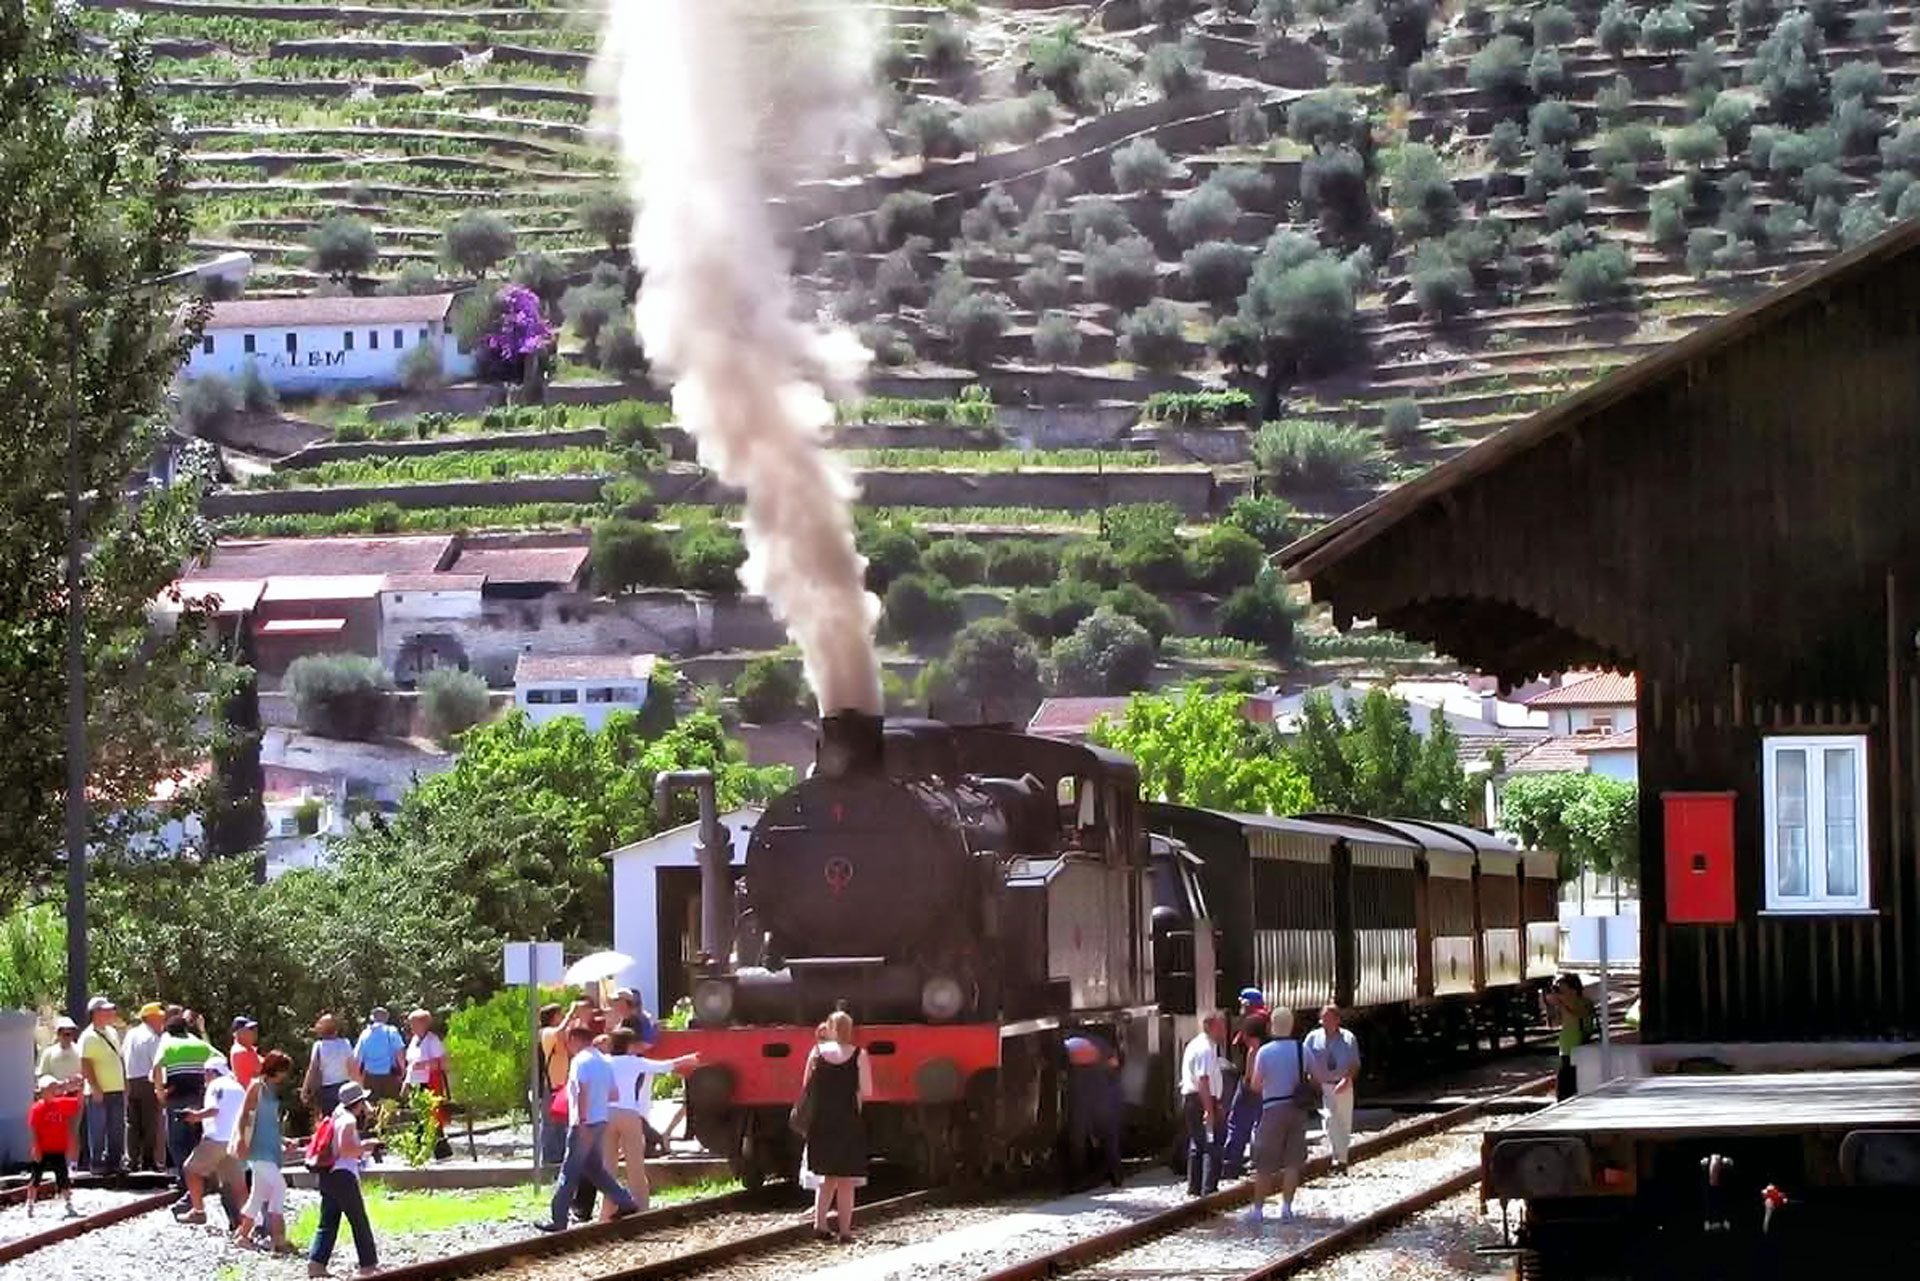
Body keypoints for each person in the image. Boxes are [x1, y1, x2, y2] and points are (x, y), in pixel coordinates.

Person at [535, 1023, 640, 1232]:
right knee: (594, 1169)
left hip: (583, 1123)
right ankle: (625, 1201)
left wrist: (582, 1119)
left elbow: (581, 1090)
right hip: (600, 1121)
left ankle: (558, 1219)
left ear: (575, 1040)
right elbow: (614, 1094)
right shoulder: (604, 1061)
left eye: (569, 1041)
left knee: (569, 1172)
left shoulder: (580, 1061)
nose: (568, 1045)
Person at [601, 1027, 698, 1217]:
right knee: (635, 1165)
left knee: (608, 1166)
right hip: (629, 1114)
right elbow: (665, 1066)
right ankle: (642, 1209)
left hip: (606, 1115)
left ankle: (606, 1211)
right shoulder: (635, 1062)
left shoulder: (605, 1062)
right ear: (630, 1045)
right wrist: (689, 1059)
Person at [799, 1011, 870, 1244]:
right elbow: (866, 1090)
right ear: (850, 1030)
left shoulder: (816, 1052)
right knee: (846, 1180)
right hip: (848, 1120)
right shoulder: (859, 1054)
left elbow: (806, 1086)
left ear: (829, 1028)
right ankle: (845, 1231)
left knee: (826, 1177)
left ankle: (820, 1225)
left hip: (821, 1121)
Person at [308, 1080, 379, 1278]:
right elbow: (345, 1149)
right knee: (359, 1220)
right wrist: (366, 1146)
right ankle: (368, 1265)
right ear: (358, 1102)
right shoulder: (348, 1120)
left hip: (328, 1175)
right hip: (343, 1177)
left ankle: (316, 1263)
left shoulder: (336, 1116)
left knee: (328, 1221)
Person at [1247, 1007, 1310, 1228]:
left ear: (1272, 1026)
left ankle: (1258, 1210)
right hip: (1297, 1109)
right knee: (1292, 1162)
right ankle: (1286, 1208)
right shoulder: (1302, 1049)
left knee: (1264, 1163)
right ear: (1291, 1025)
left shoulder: (1264, 1052)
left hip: (1272, 1108)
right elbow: (1316, 1076)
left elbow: (1255, 1085)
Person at [232, 1050, 296, 1254]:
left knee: (257, 1195)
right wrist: (241, 1139)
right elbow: (245, 1115)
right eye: (284, 1070)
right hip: (258, 1149)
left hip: (269, 1147)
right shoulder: (257, 1086)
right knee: (279, 1187)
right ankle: (278, 1238)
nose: (285, 1075)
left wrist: (283, 1140)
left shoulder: (271, 1090)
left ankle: (243, 1236)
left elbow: (269, 1123)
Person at [154, 1014, 217, 1198]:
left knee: (176, 1140)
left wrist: (160, 1092)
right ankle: (201, 1179)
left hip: (177, 1096)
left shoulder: (167, 1043)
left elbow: (156, 1066)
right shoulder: (198, 1044)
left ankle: (185, 1180)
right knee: (195, 1138)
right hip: (199, 1096)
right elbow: (218, 1058)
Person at [182, 1059, 247, 1227]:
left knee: (190, 1169)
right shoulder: (238, 1087)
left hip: (217, 1139)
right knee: (237, 1185)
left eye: (205, 1073)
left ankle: (198, 1211)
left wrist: (195, 1116)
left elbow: (214, 1109)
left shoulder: (215, 1086)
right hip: (235, 1140)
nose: (204, 1077)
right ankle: (248, 1223)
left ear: (211, 1072)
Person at [1062, 1032, 1124, 1191]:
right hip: (1103, 1099)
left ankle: (1077, 1180)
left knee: (1078, 1139)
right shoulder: (1101, 1045)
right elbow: (1115, 1067)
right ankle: (1116, 1175)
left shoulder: (1070, 1047)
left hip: (1083, 1101)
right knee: (1109, 1138)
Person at [1303, 1005, 1361, 1171]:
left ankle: (1341, 1159)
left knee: (1343, 1122)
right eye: (1323, 1018)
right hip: (1324, 1085)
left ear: (1337, 1020)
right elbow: (1305, 1059)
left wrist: (1347, 1079)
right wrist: (1310, 1078)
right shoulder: (1313, 1037)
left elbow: (1355, 1063)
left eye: (1329, 1018)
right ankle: (1338, 1157)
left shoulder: (1348, 1038)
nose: (1325, 1022)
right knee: (1329, 1120)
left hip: (1343, 1084)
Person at [78, 996, 128, 1176]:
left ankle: (115, 1162)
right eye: (106, 1010)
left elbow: (119, 1058)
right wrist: (95, 1086)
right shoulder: (88, 1036)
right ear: (96, 1013)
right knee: (98, 1128)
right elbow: (85, 1063)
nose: (111, 1013)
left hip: (116, 1088)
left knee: (117, 1127)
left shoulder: (112, 1032)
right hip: (98, 1091)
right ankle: (97, 1162)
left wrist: (124, 1082)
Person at [1179, 1012, 1226, 1197]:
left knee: (1198, 1144)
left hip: (1196, 1099)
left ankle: (1195, 1188)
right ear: (1210, 1027)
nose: (1224, 1031)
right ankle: (1208, 1190)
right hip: (1201, 1100)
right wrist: (1209, 1110)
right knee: (1211, 1144)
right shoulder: (1205, 1049)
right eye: (1220, 1027)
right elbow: (1203, 1080)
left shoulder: (1198, 1045)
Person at [1220, 1005, 1270, 1179]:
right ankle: (1260, 1161)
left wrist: (1247, 1083)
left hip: (1250, 1089)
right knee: (1260, 1126)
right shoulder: (1268, 1049)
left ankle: (1231, 1163)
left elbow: (1250, 1075)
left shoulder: (1254, 1051)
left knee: (1237, 1124)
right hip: (1264, 1091)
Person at [121, 1001, 167, 1173]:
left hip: (130, 1080)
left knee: (132, 1123)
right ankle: (148, 1160)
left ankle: (133, 1160)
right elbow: (157, 1065)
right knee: (150, 1122)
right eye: (159, 1018)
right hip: (148, 1082)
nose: (162, 1021)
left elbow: (123, 1055)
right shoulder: (152, 1038)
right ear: (151, 1018)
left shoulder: (131, 1034)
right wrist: (160, 1087)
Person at [27, 1076, 82, 1218]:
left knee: (62, 1177)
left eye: (55, 1087)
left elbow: (77, 1103)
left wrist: (77, 1088)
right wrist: (36, 1148)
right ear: (43, 1091)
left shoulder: (60, 1103)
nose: (54, 1090)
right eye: (51, 1088)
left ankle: (68, 1203)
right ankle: (30, 1203)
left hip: (58, 1148)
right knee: (36, 1177)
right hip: (43, 1148)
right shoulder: (37, 1108)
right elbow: (34, 1129)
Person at [403, 1008, 454, 1160]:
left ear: (423, 1024)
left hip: (429, 1084)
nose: (411, 1027)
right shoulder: (414, 1040)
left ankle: (435, 1151)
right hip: (416, 1084)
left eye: (413, 1023)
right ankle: (421, 1150)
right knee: (420, 1117)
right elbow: (410, 1064)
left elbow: (443, 1063)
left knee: (431, 1117)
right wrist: (406, 1082)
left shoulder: (432, 1040)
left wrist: (424, 1065)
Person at [1546, 974, 1595, 1101]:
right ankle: (1563, 1098)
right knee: (1565, 1076)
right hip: (1566, 1044)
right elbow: (1554, 1023)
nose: (1560, 994)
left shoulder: (1583, 1003)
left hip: (1578, 1042)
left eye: (1563, 991)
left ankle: (1569, 1098)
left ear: (1573, 990)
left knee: (1572, 1076)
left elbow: (1577, 1016)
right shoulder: (1565, 1004)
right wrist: (1552, 1006)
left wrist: (1561, 1004)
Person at [536, 1003, 570, 1169]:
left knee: (561, 1123)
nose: (562, 1018)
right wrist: (571, 1013)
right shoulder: (548, 1033)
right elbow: (560, 1032)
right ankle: (550, 1159)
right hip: (550, 1086)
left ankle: (559, 1157)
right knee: (550, 1124)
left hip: (559, 1085)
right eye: (560, 1015)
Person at [305, 1014, 355, 1116]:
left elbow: (313, 1069)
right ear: (336, 1030)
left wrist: (305, 1089)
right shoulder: (345, 1043)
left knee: (330, 1119)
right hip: (345, 1086)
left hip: (327, 1089)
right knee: (346, 1116)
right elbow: (351, 1066)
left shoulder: (319, 1046)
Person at [352, 1009, 405, 1102]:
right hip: (390, 1076)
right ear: (386, 1018)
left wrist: (358, 1081)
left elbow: (357, 1058)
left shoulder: (365, 1034)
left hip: (370, 1077)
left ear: (372, 1019)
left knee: (372, 1105)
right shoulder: (391, 1031)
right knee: (390, 1105)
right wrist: (402, 1071)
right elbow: (399, 1052)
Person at [229, 1017, 262, 1090]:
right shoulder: (241, 1052)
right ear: (240, 1033)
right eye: (250, 1029)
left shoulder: (248, 1049)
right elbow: (267, 1068)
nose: (253, 1032)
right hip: (247, 1094)